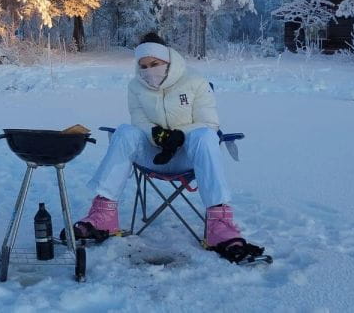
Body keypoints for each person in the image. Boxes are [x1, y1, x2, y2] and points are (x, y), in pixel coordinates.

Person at [73, 32, 266, 263]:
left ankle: (220, 225)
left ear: (168, 60)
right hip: (153, 156)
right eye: (143, 66)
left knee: (205, 136)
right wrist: (156, 133)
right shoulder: (135, 86)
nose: (148, 70)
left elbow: (210, 122)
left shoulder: (195, 82)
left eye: (154, 64)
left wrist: (179, 136)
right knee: (125, 132)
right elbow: (139, 120)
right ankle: (103, 215)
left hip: (187, 157)